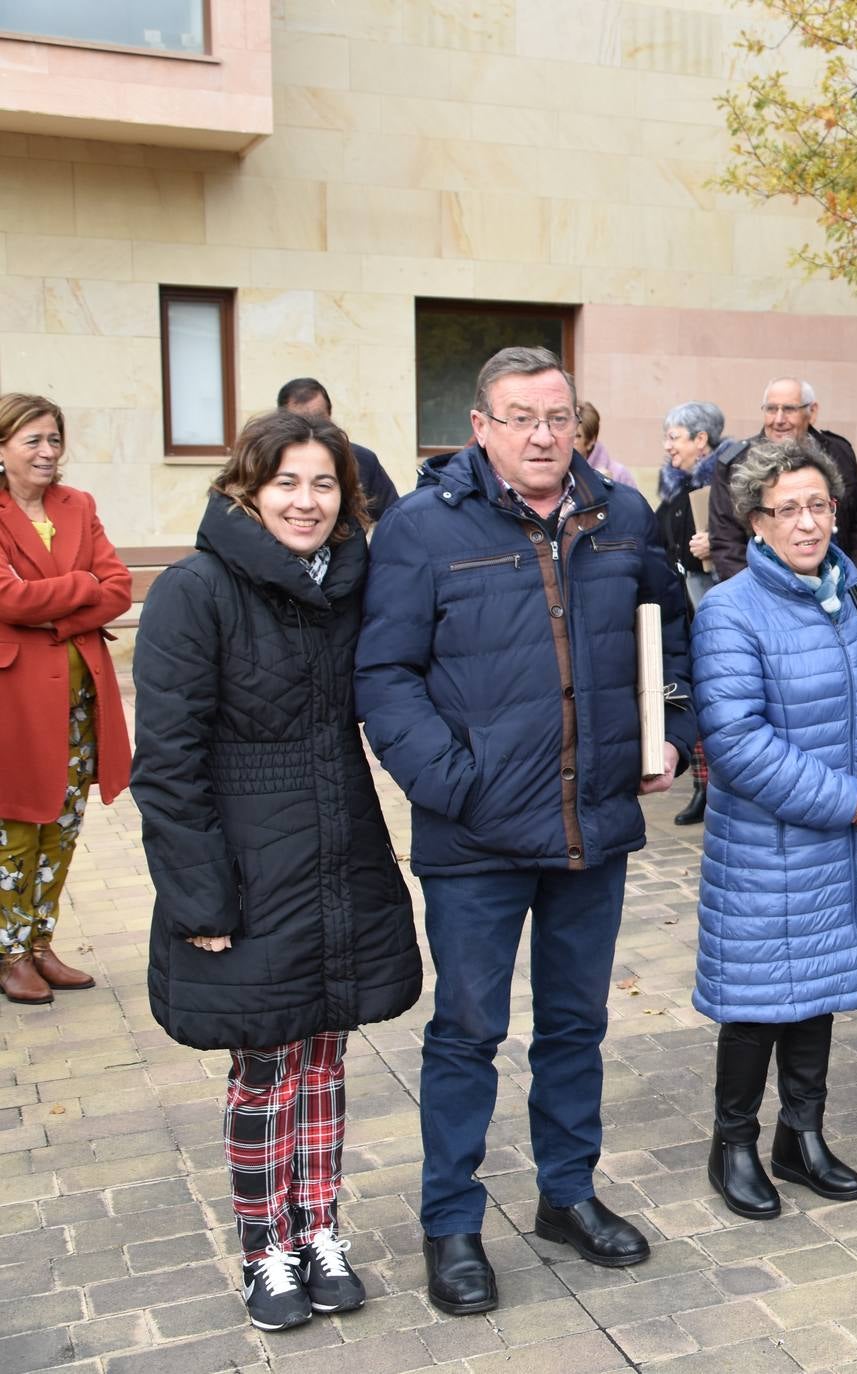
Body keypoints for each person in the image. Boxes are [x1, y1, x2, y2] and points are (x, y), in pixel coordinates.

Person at [356, 347, 696, 1316]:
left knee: (577, 1026)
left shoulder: (620, 516)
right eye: (519, 418)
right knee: (468, 1031)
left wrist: (669, 731)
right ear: (481, 428)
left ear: (577, 421)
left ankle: (567, 1195)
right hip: (476, 838)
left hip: (593, 822)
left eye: (557, 416)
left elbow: (670, 639)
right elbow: (384, 676)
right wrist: (450, 782)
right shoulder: (423, 529)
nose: (541, 435)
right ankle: (451, 1224)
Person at [131, 409, 422, 1331]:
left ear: (347, 497)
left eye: (324, 484)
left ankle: (320, 1227)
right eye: (287, 482)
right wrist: (198, 896)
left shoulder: (350, 584)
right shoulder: (196, 590)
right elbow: (165, 764)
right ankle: (265, 1249)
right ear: (246, 490)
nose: (305, 500)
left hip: (338, 851)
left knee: (325, 1053)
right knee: (264, 1066)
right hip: (248, 870)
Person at [693, 438, 857, 1219]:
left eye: (818, 505)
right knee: (758, 1000)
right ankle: (732, 1146)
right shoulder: (729, 610)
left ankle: (801, 1136)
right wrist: (844, 798)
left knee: (818, 987)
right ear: (757, 522)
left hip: (845, 834)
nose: (807, 522)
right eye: (787, 509)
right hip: (766, 847)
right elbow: (736, 742)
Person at [0, 393, 131, 1004]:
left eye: (54, 439)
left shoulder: (78, 505)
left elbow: (120, 588)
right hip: (16, 698)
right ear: (2, 450)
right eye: (33, 441)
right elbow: (6, 599)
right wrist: (80, 588)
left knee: (62, 823)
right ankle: (9, 953)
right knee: (17, 825)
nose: (48, 452)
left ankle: (41, 943)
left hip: (83, 697)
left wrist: (56, 604)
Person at [655, 401, 745, 828]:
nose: (668, 447)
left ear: (700, 440)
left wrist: (721, 541)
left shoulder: (732, 484)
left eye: (674, 437)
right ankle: (701, 788)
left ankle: (723, 787)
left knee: (720, 697)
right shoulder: (674, 488)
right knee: (689, 692)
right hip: (682, 607)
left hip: (718, 605)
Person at [705, 378, 857, 579]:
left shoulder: (840, 453)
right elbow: (727, 544)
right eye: (771, 409)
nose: (778, 419)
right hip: (766, 592)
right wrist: (755, 600)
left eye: (789, 409)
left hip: (839, 587)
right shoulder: (735, 463)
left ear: (811, 412)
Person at [278, 378, 401, 519]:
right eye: (288, 483)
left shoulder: (363, 460)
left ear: (330, 415)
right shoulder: (268, 461)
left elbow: (393, 517)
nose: (307, 504)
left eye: (319, 418)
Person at [575, 401, 639, 488]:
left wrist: (608, 489)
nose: (569, 440)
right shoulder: (558, 472)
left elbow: (634, 501)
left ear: (591, 441)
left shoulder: (619, 474)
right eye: (567, 433)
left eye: (577, 436)